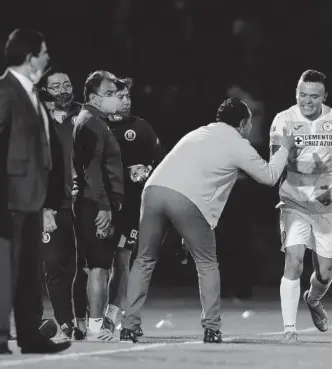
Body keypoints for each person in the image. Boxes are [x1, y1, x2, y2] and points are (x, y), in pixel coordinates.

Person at [120, 97, 294, 344]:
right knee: (207, 264)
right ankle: (211, 328)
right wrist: (284, 147)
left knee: (144, 259)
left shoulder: (199, 132)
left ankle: (128, 326)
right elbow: (269, 176)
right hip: (185, 199)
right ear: (244, 123)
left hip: (154, 190)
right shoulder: (238, 144)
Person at [0, 29, 70, 354]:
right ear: (29, 56)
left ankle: (31, 335)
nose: (47, 57)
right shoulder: (1, 91)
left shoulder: (31, 93)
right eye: (44, 51)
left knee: (29, 273)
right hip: (9, 197)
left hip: (31, 196)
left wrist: (49, 200)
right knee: (6, 269)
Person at [269, 70, 332, 344]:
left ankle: (313, 298)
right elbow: (274, 163)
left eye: (313, 96)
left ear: (324, 97)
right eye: (302, 95)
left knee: (324, 273)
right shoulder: (283, 120)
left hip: (326, 202)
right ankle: (290, 329)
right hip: (293, 202)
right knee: (294, 261)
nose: (306, 101)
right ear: (295, 93)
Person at [100, 80, 165, 338]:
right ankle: (86, 318)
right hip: (100, 204)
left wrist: (146, 171)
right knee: (95, 264)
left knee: (122, 259)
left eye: (128, 96)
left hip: (130, 207)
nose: (126, 101)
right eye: (120, 96)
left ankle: (111, 315)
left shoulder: (141, 127)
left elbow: (162, 162)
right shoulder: (97, 124)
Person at [71, 70, 125, 340]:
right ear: (93, 96)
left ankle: (87, 323)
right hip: (95, 203)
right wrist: (104, 206)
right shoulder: (92, 122)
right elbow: (92, 168)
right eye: (110, 93)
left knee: (95, 264)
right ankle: (94, 327)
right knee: (98, 265)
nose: (115, 98)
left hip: (94, 200)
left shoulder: (95, 120)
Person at [36, 68, 86, 340]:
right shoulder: (36, 121)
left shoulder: (85, 115)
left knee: (85, 266)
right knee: (56, 264)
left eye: (67, 84)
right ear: (45, 90)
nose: (64, 90)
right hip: (52, 206)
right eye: (56, 86)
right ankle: (65, 321)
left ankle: (86, 319)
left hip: (85, 202)